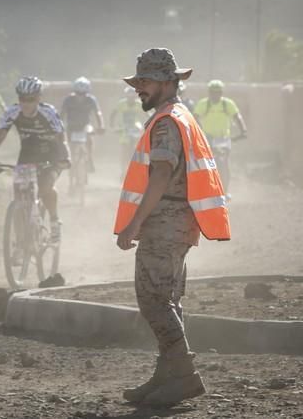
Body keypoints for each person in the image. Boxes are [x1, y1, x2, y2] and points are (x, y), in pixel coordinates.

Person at [115, 48, 230, 407]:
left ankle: (182, 375)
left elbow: (162, 173)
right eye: (137, 82)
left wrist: (133, 224)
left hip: (165, 224)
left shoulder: (166, 121)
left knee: (153, 299)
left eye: (145, 81)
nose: (139, 89)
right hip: (177, 223)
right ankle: (167, 375)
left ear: (167, 82)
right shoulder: (179, 115)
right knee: (167, 299)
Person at [0, 76, 70, 243]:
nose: (26, 103)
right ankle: (21, 242)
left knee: (45, 187)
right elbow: (0, 136)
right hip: (28, 153)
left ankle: (54, 220)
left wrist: (66, 158)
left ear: (38, 98)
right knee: (19, 196)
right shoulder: (12, 112)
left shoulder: (48, 112)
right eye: (22, 99)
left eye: (30, 99)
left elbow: (61, 140)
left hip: (52, 154)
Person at [193, 80, 247, 198]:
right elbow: (195, 118)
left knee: (224, 164)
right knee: (205, 165)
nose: (215, 95)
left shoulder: (227, 104)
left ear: (221, 92)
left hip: (223, 139)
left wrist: (243, 130)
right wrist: (199, 131)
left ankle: (225, 191)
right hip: (207, 138)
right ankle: (206, 190)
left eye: (218, 92)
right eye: (213, 92)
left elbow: (237, 117)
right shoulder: (203, 104)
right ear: (209, 92)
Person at [60, 77, 105, 172]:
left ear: (87, 92)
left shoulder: (91, 100)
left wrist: (101, 125)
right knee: (69, 146)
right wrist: (59, 126)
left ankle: (90, 159)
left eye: (83, 94)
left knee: (89, 139)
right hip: (71, 126)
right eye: (78, 93)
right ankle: (70, 161)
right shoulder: (68, 100)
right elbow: (62, 114)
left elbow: (98, 113)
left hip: (86, 125)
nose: (80, 96)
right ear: (74, 91)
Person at [109, 86, 147, 176]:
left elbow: (147, 113)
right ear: (127, 97)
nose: (131, 99)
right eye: (129, 97)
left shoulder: (139, 104)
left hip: (136, 128)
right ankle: (123, 170)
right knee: (124, 150)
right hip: (124, 129)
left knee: (139, 149)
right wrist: (112, 125)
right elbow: (113, 114)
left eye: (133, 97)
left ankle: (138, 167)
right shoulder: (121, 104)